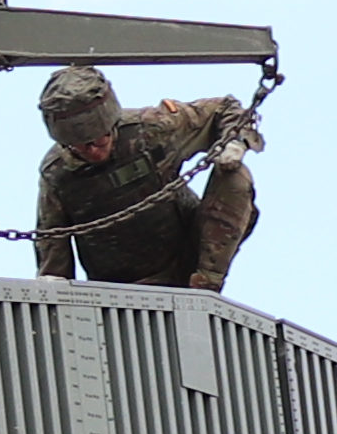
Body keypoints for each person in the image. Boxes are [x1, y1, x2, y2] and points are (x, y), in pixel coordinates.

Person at [28, 64, 261, 291]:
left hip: (187, 258)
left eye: (100, 140)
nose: (94, 151)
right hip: (119, 287)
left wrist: (235, 141)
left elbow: (224, 108)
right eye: (81, 147)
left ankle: (206, 284)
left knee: (235, 178)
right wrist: (54, 289)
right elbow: (51, 239)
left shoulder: (152, 130)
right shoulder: (57, 174)